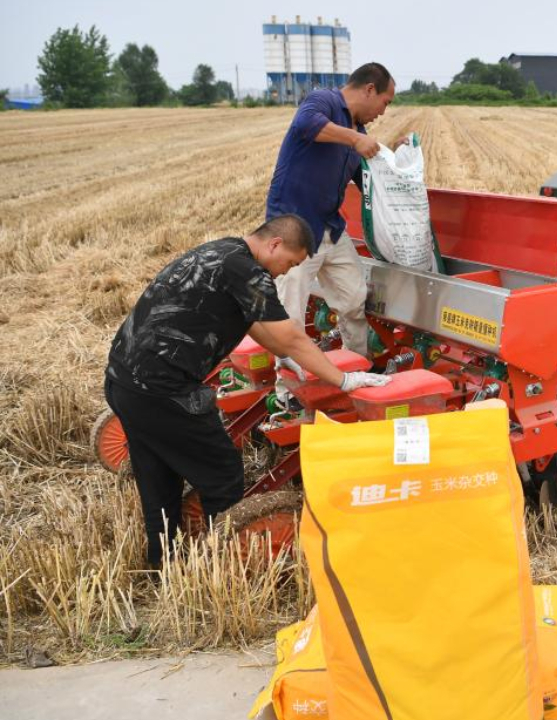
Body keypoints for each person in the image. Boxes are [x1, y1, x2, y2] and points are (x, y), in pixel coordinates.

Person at [104, 215, 391, 568]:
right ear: (274, 245)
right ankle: (225, 566)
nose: (287, 272)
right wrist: (343, 380)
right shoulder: (248, 271)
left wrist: (286, 358)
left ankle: (163, 565)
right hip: (162, 389)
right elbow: (291, 335)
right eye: (291, 263)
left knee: (159, 479)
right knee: (223, 474)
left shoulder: (223, 251)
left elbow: (257, 325)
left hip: (123, 381)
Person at [267, 62, 398, 361]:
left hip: (330, 229)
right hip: (293, 229)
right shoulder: (324, 100)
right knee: (290, 312)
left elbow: (368, 184)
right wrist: (354, 139)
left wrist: (397, 158)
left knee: (353, 297)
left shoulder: (359, 131)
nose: (383, 112)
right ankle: (290, 392)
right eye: (385, 102)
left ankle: (357, 366)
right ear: (369, 89)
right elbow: (306, 124)